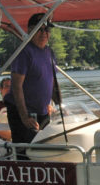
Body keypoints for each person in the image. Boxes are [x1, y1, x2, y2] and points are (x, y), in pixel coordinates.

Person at [4, 13, 59, 153]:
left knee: (44, 150)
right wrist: (24, 116)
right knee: (26, 153)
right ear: (30, 30)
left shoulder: (49, 53)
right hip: (22, 112)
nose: (44, 33)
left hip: (42, 112)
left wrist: (54, 104)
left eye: (47, 30)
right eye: (40, 29)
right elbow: (16, 86)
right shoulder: (24, 53)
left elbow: (51, 82)